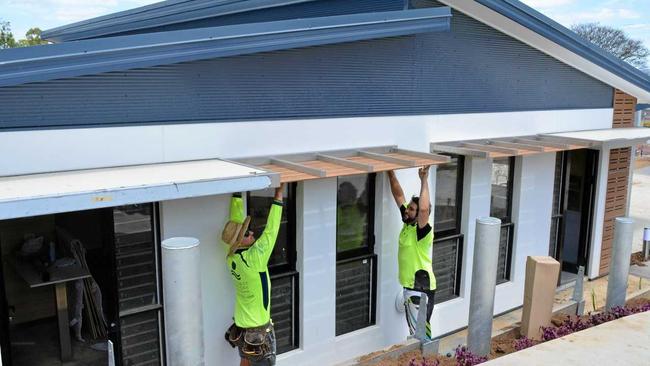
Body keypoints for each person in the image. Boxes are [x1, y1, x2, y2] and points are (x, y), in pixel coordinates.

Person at [223, 184, 284, 366]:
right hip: (258, 330)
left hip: (242, 326)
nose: (251, 232)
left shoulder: (231, 256)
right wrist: (279, 196)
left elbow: (235, 220)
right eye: (246, 233)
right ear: (240, 241)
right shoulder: (255, 258)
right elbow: (271, 232)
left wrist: (237, 194)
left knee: (245, 361)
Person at [387, 167, 436, 340]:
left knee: (420, 334)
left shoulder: (421, 231)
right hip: (411, 287)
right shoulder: (408, 224)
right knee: (416, 331)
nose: (407, 210)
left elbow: (424, 210)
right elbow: (398, 195)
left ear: (419, 215)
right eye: (408, 208)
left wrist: (424, 180)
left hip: (420, 287)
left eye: (411, 209)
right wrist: (390, 173)